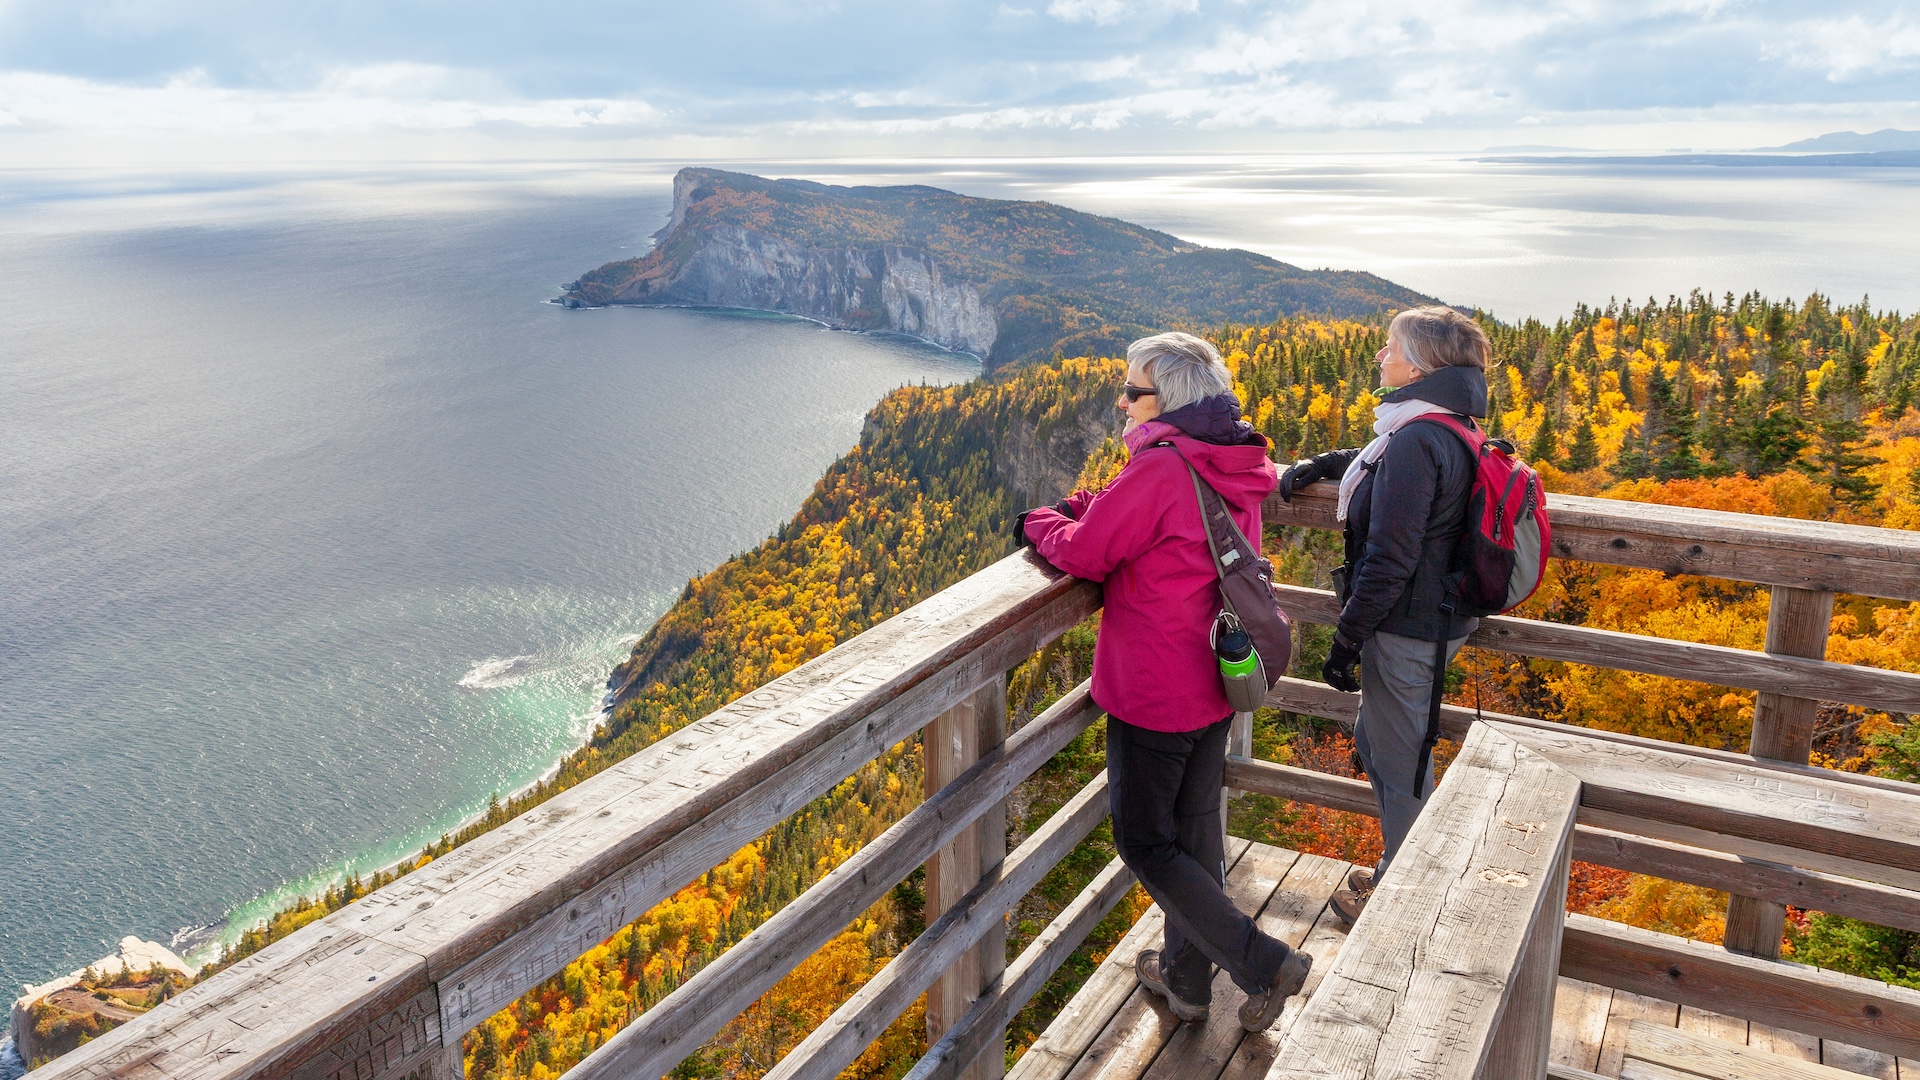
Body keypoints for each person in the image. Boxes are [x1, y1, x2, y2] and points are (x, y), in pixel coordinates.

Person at [1018, 332, 1311, 1032]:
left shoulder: (1161, 467)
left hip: (1156, 686)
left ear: (1167, 400)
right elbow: (1142, 517)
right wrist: (1093, 502)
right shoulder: (1232, 457)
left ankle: (1263, 963)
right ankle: (1186, 979)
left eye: (1132, 391)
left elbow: (1088, 553)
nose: (1122, 402)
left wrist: (1038, 522)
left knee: (1147, 842)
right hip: (1215, 677)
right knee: (1194, 831)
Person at [1273, 305, 1492, 926]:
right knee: (1379, 741)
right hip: (1430, 620)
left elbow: (1390, 558)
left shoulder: (1419, 437)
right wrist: (1328, 463)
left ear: (1420, 366)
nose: (1380, 355)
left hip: (1408, 627)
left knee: (1400, 765)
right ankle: (1404, 874)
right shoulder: (1443, 424)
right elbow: (1389, 470)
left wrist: (1345, 641)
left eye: (1390, 347)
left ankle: (1403, 900)